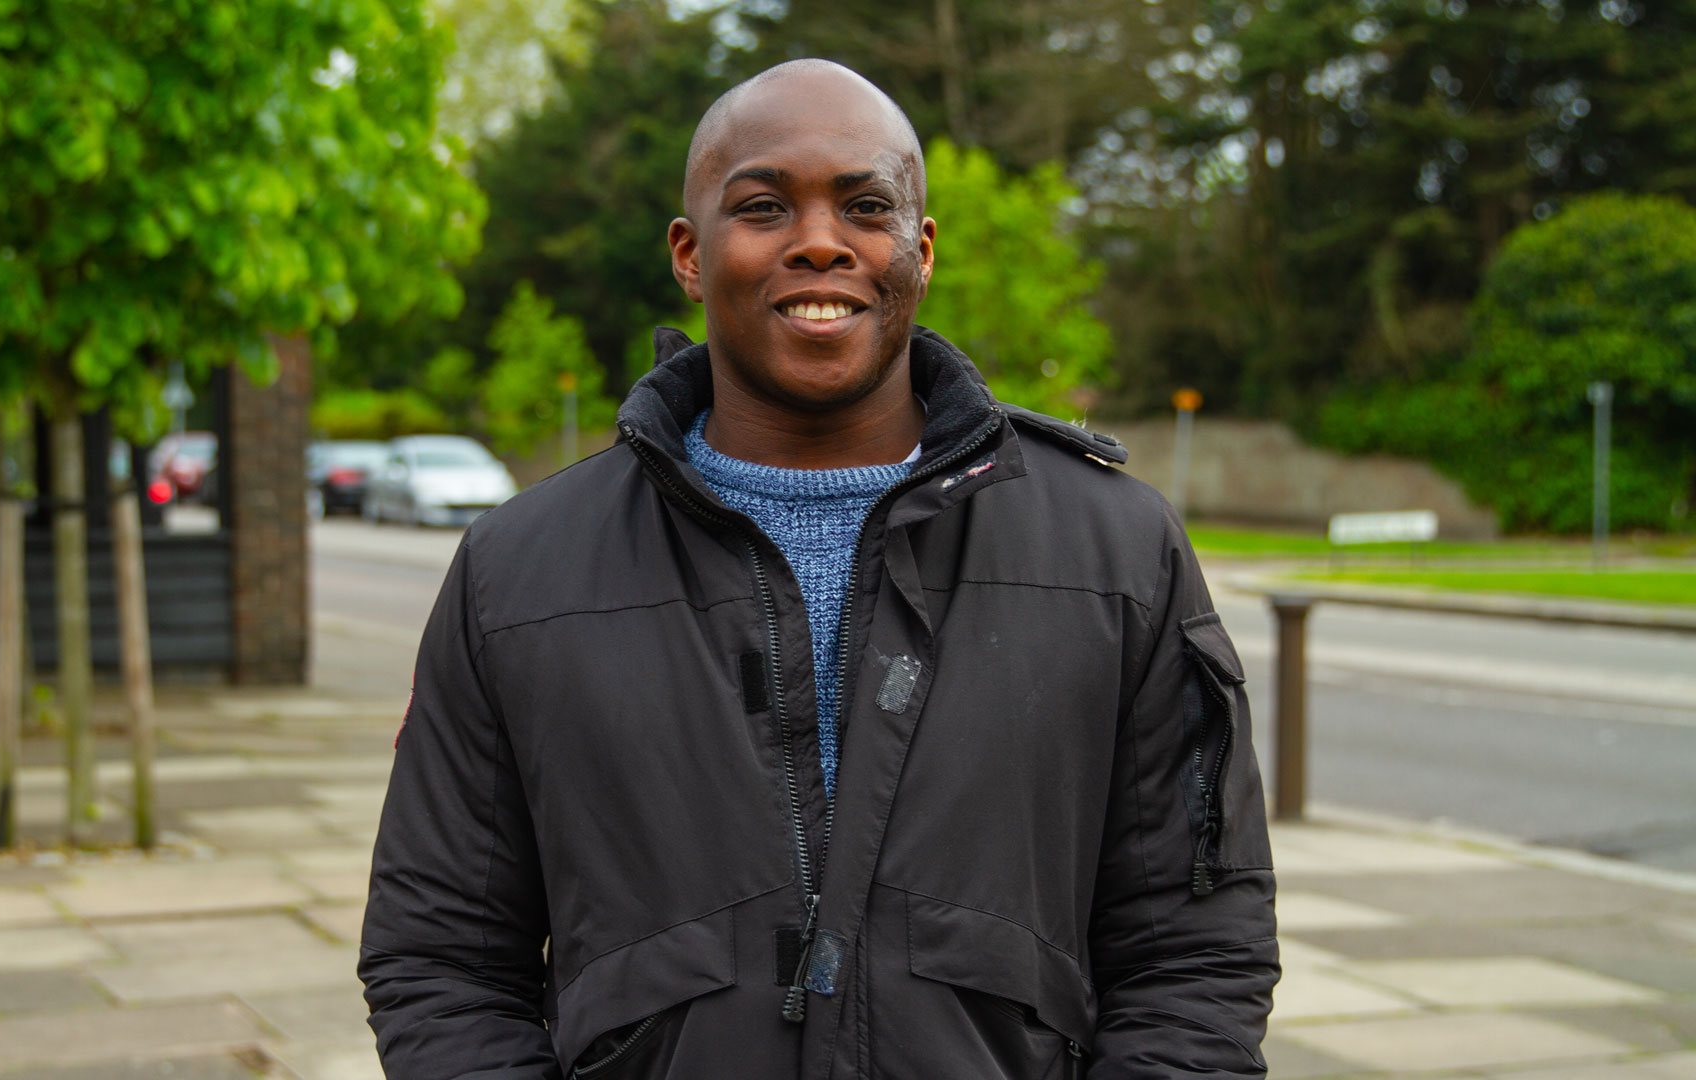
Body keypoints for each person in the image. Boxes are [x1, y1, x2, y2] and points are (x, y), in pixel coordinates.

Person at [360, 59, 1278, 1079]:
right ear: (689, 253)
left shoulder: (1119, 551)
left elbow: (1196, 952)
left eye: (865, 206)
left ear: (919, 251)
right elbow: (442, 958)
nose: (819, 242)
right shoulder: (516, 572)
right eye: (761, 206)